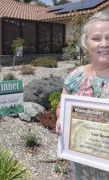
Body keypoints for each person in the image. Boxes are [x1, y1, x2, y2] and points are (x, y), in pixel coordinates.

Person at [56, 11, 109, 180]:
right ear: (86, 43)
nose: (104, 44)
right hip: (80, 165)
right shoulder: (76, 76)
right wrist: (60, 118)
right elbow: (61, 106)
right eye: (96, 38)